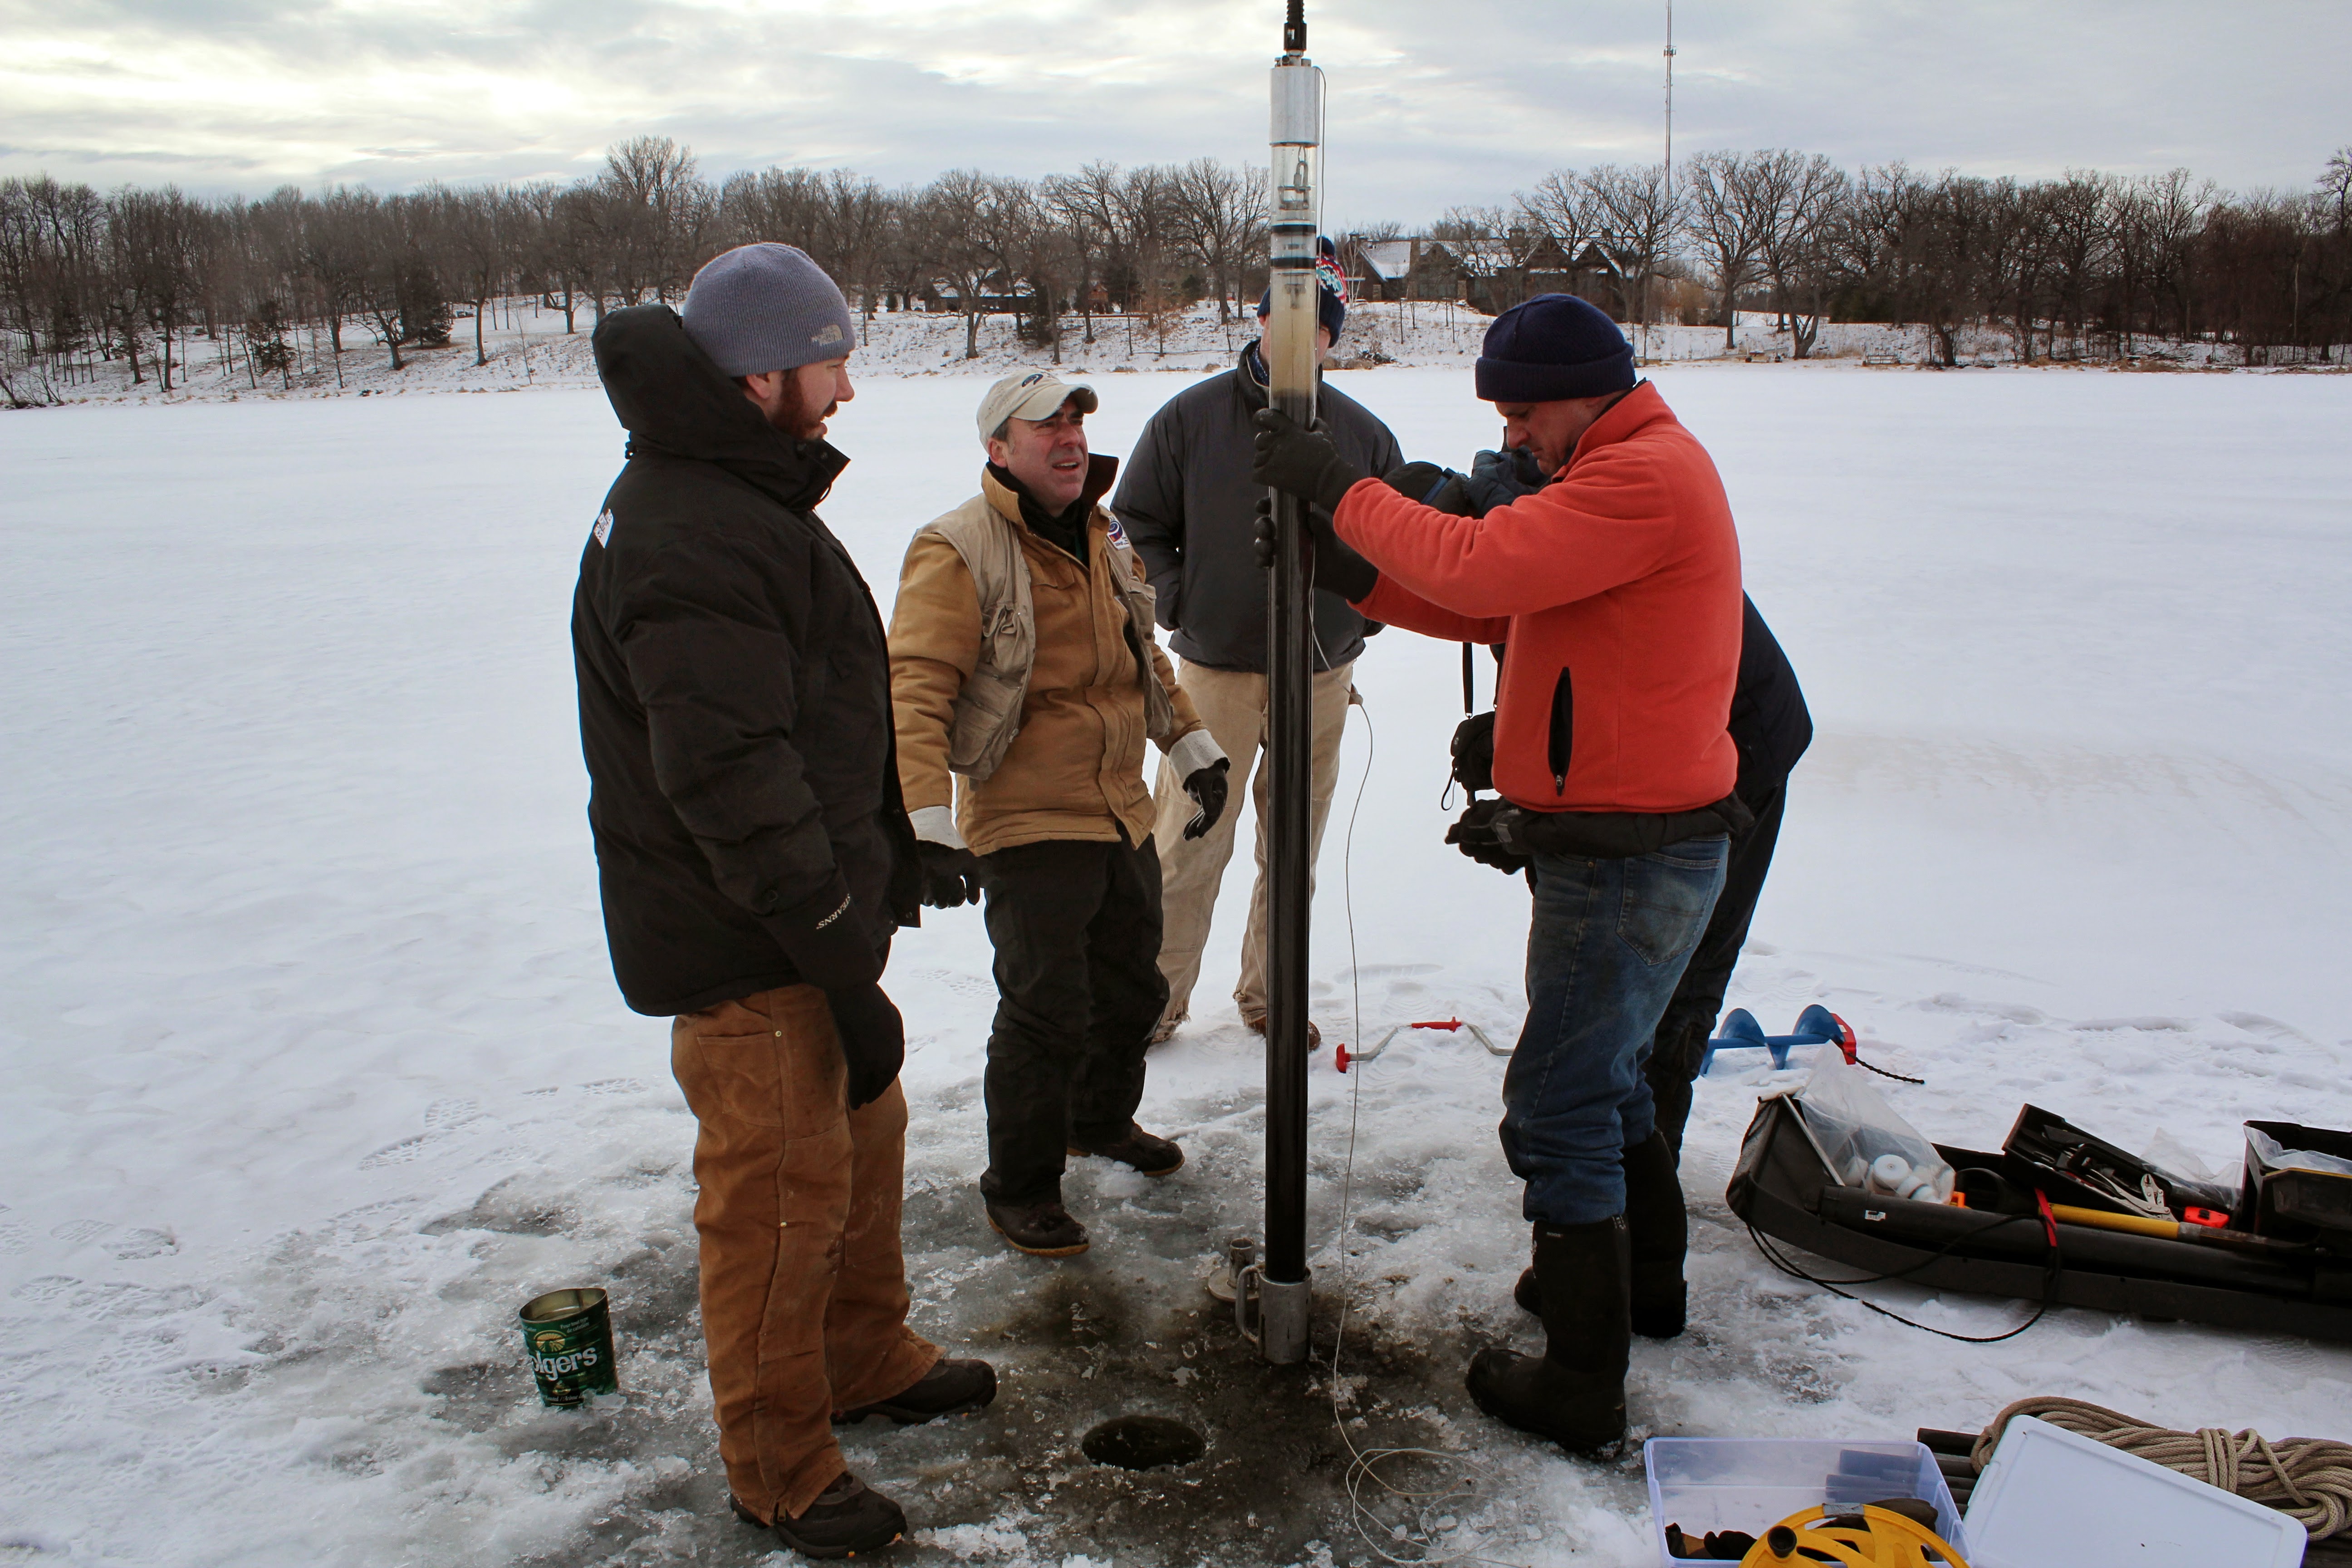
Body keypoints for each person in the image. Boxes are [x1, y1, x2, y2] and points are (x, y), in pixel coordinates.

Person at [1251, 293, 1745, 1455]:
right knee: (1609, 1081)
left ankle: (1583, 1381)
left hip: (1632, 857)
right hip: (1628, 844)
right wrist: (1350, 571)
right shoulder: (1615, 473)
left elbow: (1479, 565)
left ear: (1591, 388)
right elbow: (1496, 601)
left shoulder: (1641, 477)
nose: (1515, 436)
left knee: (1561, 1104)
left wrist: (1339, 489)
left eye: (1526, 413)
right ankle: (1640, 1289)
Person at [571, 242, 994, 1560]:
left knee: (864, 1149)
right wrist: (828, 948)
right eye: (833, 361)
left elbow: (793, 713)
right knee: (776, 1207)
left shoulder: (729, 493)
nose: (848, 390)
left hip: (802, 922)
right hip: (748, 946)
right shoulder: (691, 527)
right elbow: (727, 774)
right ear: (764, 373)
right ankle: (781, 1469)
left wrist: (889, 847)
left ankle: (862, 1358)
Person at [888, 370, 1230, 1259]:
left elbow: (1143, 660)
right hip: (1027, 810)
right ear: (999, 448)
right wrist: (925, 822)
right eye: (1047, 425)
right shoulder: (956, 547)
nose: (1071, 437)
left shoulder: (1103, 534)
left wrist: (1193, 753)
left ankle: (1099, 1121)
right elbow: (916, 691)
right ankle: (1023, 1186)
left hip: (1118, 804)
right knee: (1048, 1008)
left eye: (1078, 419)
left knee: (1134, 989)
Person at [1117, 279, 1401, 1045]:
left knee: (1294, 850)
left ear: (1333, 341)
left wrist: (1358, 619)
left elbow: (1397, 542)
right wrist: (1179, 598)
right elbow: (1133, 523)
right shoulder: (1189, 420)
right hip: (1216, 670)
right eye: (1289, 321)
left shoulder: (1363, 434)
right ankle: (1156, 1000)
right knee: (1188, 840)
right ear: (1263, 321)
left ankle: (1270, 995)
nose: (1302, 341)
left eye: (1319, 330)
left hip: (1322, 675)